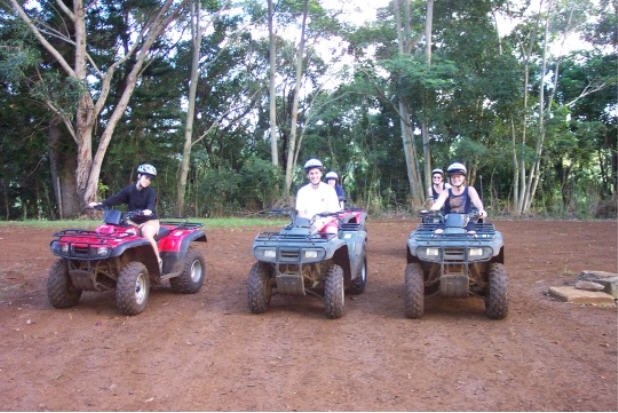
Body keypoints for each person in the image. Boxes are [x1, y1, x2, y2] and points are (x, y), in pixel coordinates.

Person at [89, 163, 162, 270]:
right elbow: (115, 199)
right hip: (133, 221)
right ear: (139, 176)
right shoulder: (129, 190)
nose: (148, 181)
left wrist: (148, 210)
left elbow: (150, 204)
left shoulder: (150, 192)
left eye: (150, 179)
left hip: (149, 221)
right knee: (114, 232)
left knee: (146, 234)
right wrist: (100, 204)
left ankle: (158, 261)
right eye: (146, 177)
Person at [430, 162, 487, 231]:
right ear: (450, 178)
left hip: (466, 222)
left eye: (458, 176)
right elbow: (438, 203)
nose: (456, 179)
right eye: (453, 177)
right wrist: (433, 209)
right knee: (437, 234)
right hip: (447, 222)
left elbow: (477, 201)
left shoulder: (470, 190)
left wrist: (481, 210)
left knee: (472, 235)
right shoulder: (446, 192)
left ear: (463, 177)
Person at [296, 158, 341, 233]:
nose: (314, 176)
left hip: (327, 222)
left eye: (316, 173)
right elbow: (301, 213)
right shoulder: (302, 192)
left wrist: (321, 223)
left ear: (321, 174)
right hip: (308, 225)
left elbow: (333, 213)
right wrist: (308, 226)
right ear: (308, 175)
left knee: (331, 232)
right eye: (311, 173)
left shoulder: (329, 190)